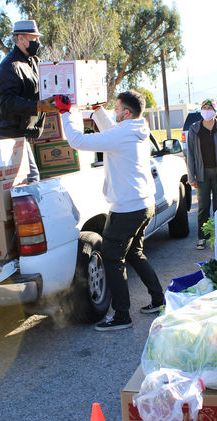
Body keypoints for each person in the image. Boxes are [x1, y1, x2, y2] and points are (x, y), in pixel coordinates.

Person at [54, 90, 164, 332]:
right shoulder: (137, 129)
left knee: (113, 258)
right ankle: (159, 300)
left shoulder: (123, 133)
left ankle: (121, 315)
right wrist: (97, 110)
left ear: (126, 112)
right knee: (135, 253)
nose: (114, 112)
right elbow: (111, 131)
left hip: (126, 209)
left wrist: (65, 113)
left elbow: (78, 142)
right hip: (145, 204)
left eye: (116, 109)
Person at [0, 19, 58, 183]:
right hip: (9, 133)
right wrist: (37, 106)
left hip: (21, 132)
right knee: (29, 177)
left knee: (26, 177)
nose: (38, 43)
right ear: (20, 38)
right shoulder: (9, 66)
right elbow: (7, 101)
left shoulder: (34, 62)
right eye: (34, 39)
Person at [185, 99, 217, 250]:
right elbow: (190, 156)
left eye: (209, 108)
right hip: (202, 174)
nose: (206, 110)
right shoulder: (194, 129)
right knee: (203, 207)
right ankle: (202, 237)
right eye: (204, 108)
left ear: (215, 111)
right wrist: (191, 177)